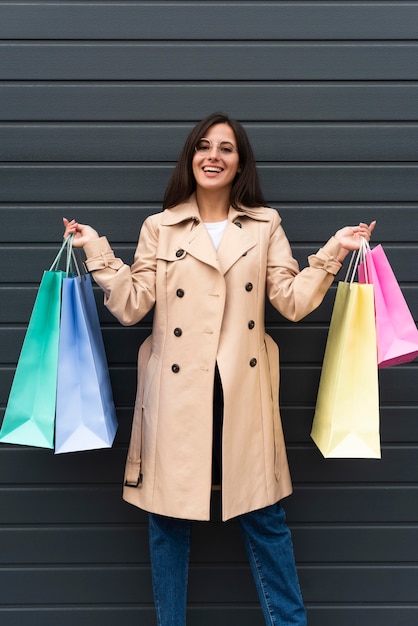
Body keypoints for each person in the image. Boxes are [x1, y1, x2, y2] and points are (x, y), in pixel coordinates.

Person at [63, 112, 375, 626]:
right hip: (176, 393)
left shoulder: (264, 224)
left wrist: (331, 254)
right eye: (204, 146)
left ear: (239, 163)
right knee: (167, 520)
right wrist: (96, 250)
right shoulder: (158, 228)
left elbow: (290, 301)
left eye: (226, 148)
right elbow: (133, 305)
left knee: (264, 516)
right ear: (190, 158)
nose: (213, 155)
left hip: (240, 389)